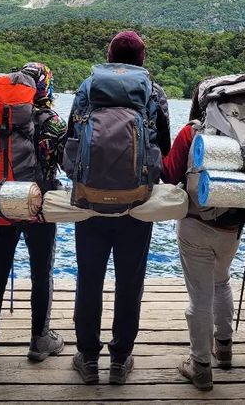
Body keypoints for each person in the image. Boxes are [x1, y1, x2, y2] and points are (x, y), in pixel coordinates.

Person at [67, 30, 171, 385]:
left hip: (89, 199)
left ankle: (88, 358)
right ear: (142, 60)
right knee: (130, 281)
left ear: (109, 56)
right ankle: (120, 359)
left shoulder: (87, 88)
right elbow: (164, 147)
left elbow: (71, 139)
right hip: (136, 203)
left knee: (89, 278)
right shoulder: (153, 91)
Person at [162, 79, 245, 391]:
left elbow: (170, 174)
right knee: (221, 281)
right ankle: (224, 348)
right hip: (232, 225)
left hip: (195, 225)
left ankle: (200, 365)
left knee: (200, 296)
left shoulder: (192, 132)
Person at [0, 62, 67, 369]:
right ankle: (40, 340)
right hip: (39, 207)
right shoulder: (52, 121)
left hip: (2, 200)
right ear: (46, 87)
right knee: (41, 273)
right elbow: (66, 163)